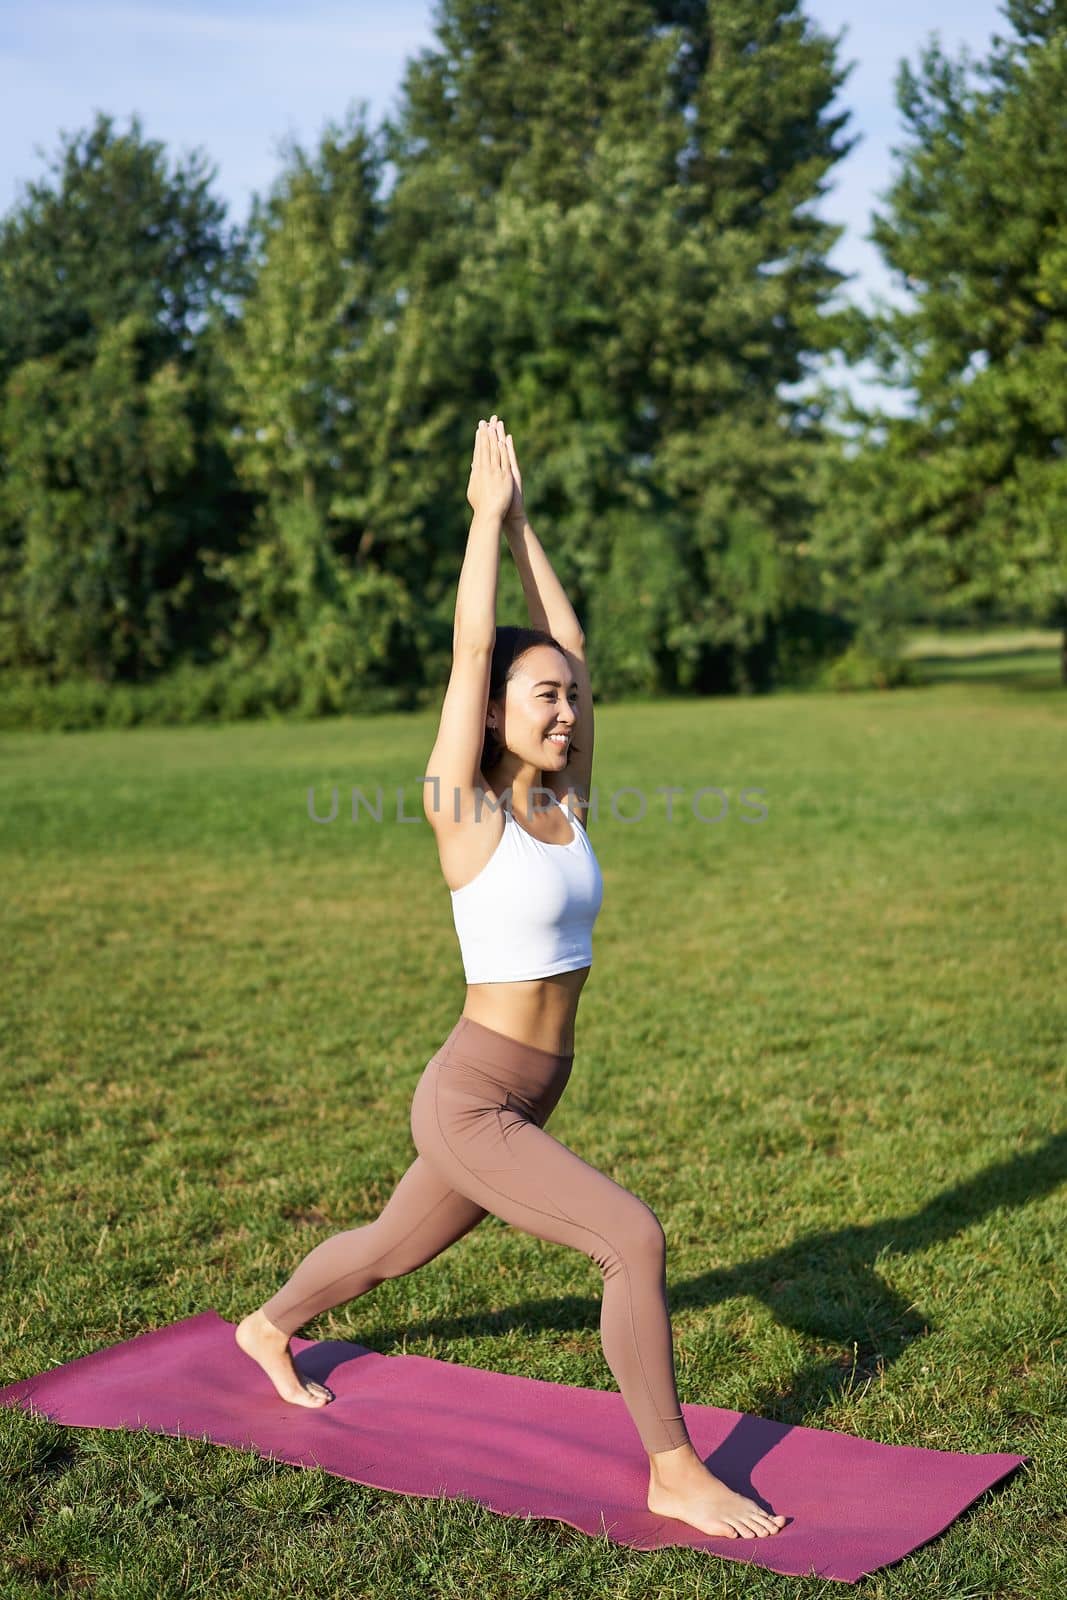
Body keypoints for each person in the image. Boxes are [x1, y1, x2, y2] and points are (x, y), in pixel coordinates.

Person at [235, 415, 786, 1541]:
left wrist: (528, 522)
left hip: (533, 1088)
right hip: (471, 1095)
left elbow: (566, 639)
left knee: (388, 1249)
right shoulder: (463, 814)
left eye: (571, 700)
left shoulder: (563, 799)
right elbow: (474, 651)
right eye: (545, 700)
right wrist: (483, 524)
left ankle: (264, 1323)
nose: (567, 710)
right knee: (629, 1238)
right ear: (496, 714)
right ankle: (672, 1469)